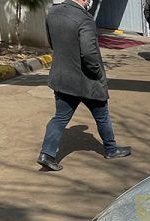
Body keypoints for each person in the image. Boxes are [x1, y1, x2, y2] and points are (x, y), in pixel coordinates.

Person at [37, 0, 131, 172]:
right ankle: (111, 149)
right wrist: (98, 74)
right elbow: (89, 53)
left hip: (63, 78)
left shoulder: (53, 12)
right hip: (87, 81)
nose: (89, 2)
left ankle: (47, 154)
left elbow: (52, 42)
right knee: (102, 115)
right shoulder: (84, 19)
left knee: (60, 117)